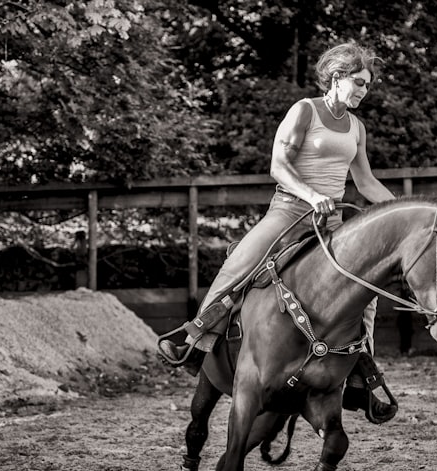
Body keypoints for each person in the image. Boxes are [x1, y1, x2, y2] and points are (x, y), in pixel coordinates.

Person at [160, 42, 398, 423]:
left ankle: (360, 368)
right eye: (358, 83)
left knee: (365, 287)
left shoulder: (356, 127)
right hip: (290, 209)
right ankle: (195, 341)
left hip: (331, 221)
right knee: (244, 261)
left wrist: (403, 211)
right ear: (336, 78)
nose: (362, 92)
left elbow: (366, 181)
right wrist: (311, 194)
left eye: (367, 86)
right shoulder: (305, 110)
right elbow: (279, 165)